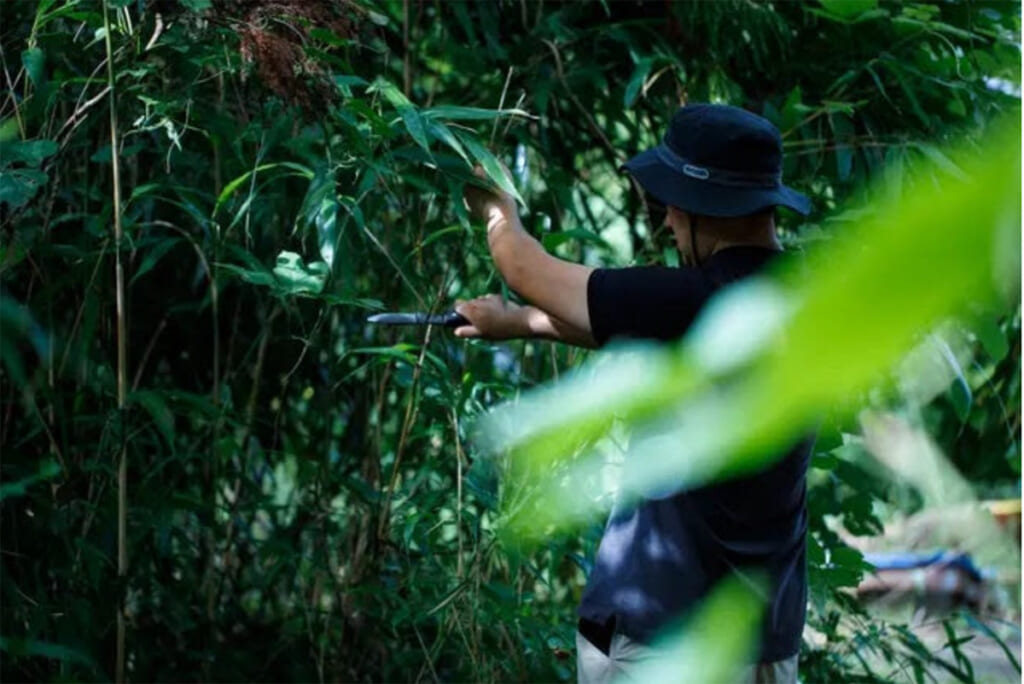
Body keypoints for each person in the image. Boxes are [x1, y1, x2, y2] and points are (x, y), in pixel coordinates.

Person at [458, 103, 813, 684]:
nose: (668, 222)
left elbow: (521, 264)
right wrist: (516, 322)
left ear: (702, 210)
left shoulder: (693, 300)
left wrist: (494, 201)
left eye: (673, 205)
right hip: (763, 647)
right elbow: (628, 324)